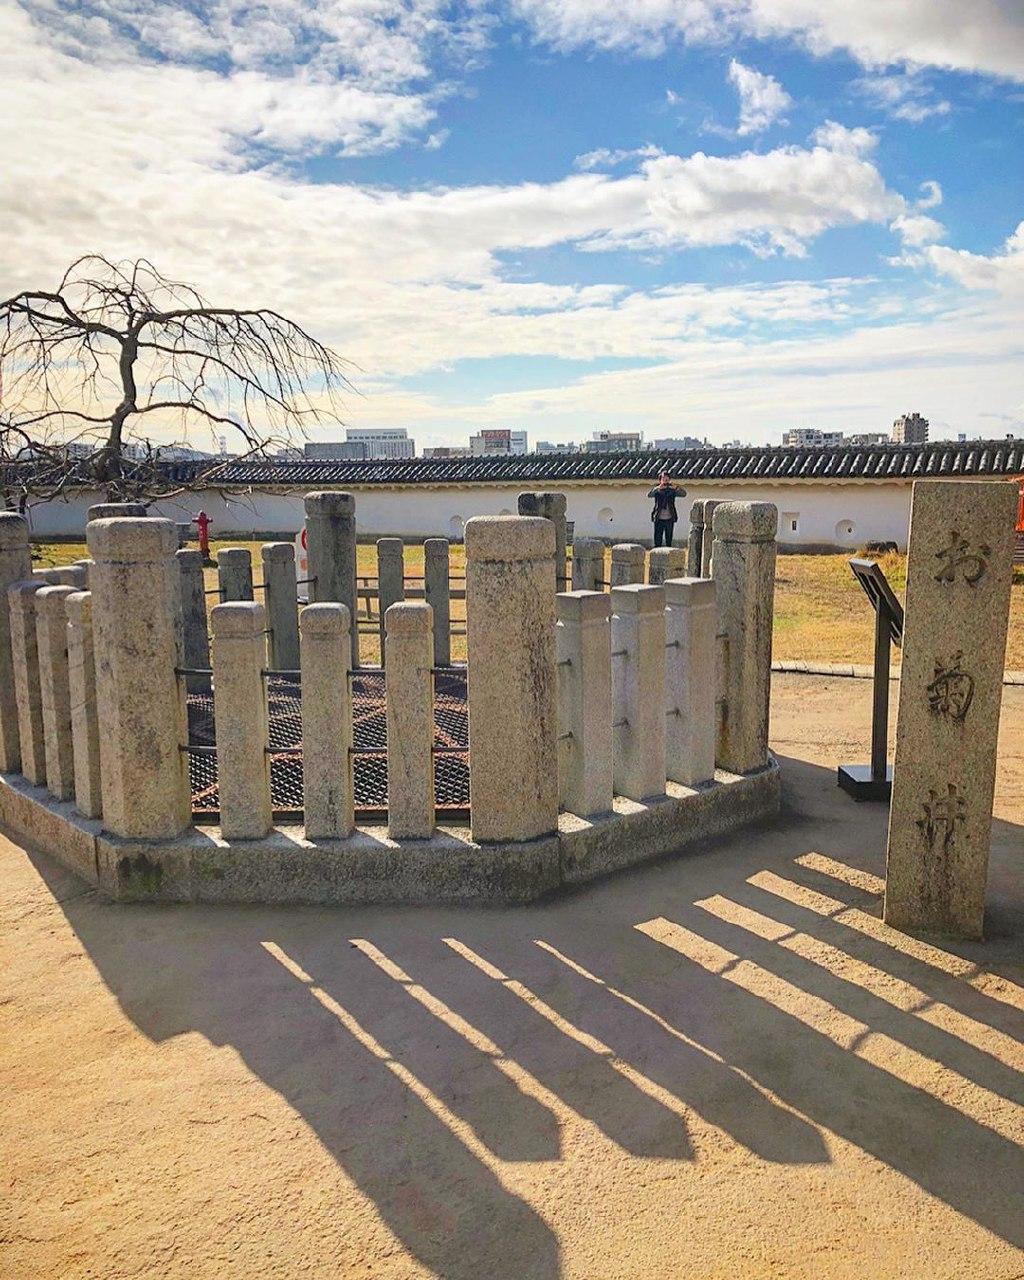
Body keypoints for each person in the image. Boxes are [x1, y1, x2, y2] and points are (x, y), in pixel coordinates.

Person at [647, 472, 686, 547]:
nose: (665, 481)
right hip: (658, 517)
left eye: (667, 479)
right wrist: (658, 488)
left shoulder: (672, 490)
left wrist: (676, 488)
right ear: (660, 480)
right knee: (657, 539)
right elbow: (649, 495)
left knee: (669, 539)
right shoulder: (657, 490)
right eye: (664, 479)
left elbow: (684, 494)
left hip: (670, 517)